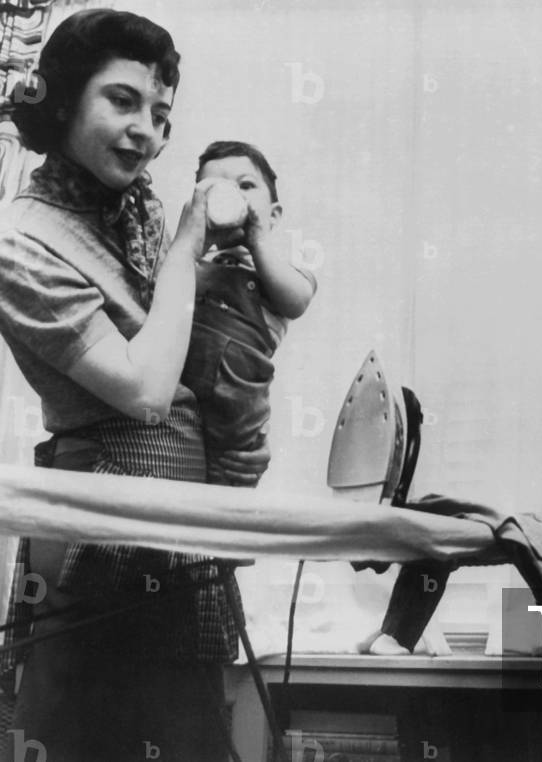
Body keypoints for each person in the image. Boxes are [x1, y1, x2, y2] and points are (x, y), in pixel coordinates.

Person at [0, 10, 267, 760]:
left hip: (178, 521)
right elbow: (145, 392)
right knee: (85, 738)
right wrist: (186, 248)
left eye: (160, 114)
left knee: (189, 740)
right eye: (121, 101)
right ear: (61, 101)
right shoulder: (17, 243)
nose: (145, 131)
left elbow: (162, 337)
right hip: (100, 527)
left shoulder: (134, 209)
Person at [181, 141, 315, 484]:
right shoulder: (193, 263)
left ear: (274, 215)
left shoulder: (278, 270)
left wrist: (258, 243)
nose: (231, 194)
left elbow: (297, 302)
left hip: (238, 404)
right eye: (213, 187)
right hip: (185, 399)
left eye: (245, 185)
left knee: (230, 479)